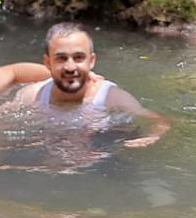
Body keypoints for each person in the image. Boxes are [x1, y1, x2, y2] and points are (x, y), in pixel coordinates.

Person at [15, 22, 170, 148]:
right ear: (48, 62)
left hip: (100, 156)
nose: (70, 67)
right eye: (61, 58)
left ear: (92, 61)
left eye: (78, 57)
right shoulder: (32, 95)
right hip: (52, 157)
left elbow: (160, 120)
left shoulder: (112, 98)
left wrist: (151, 137)